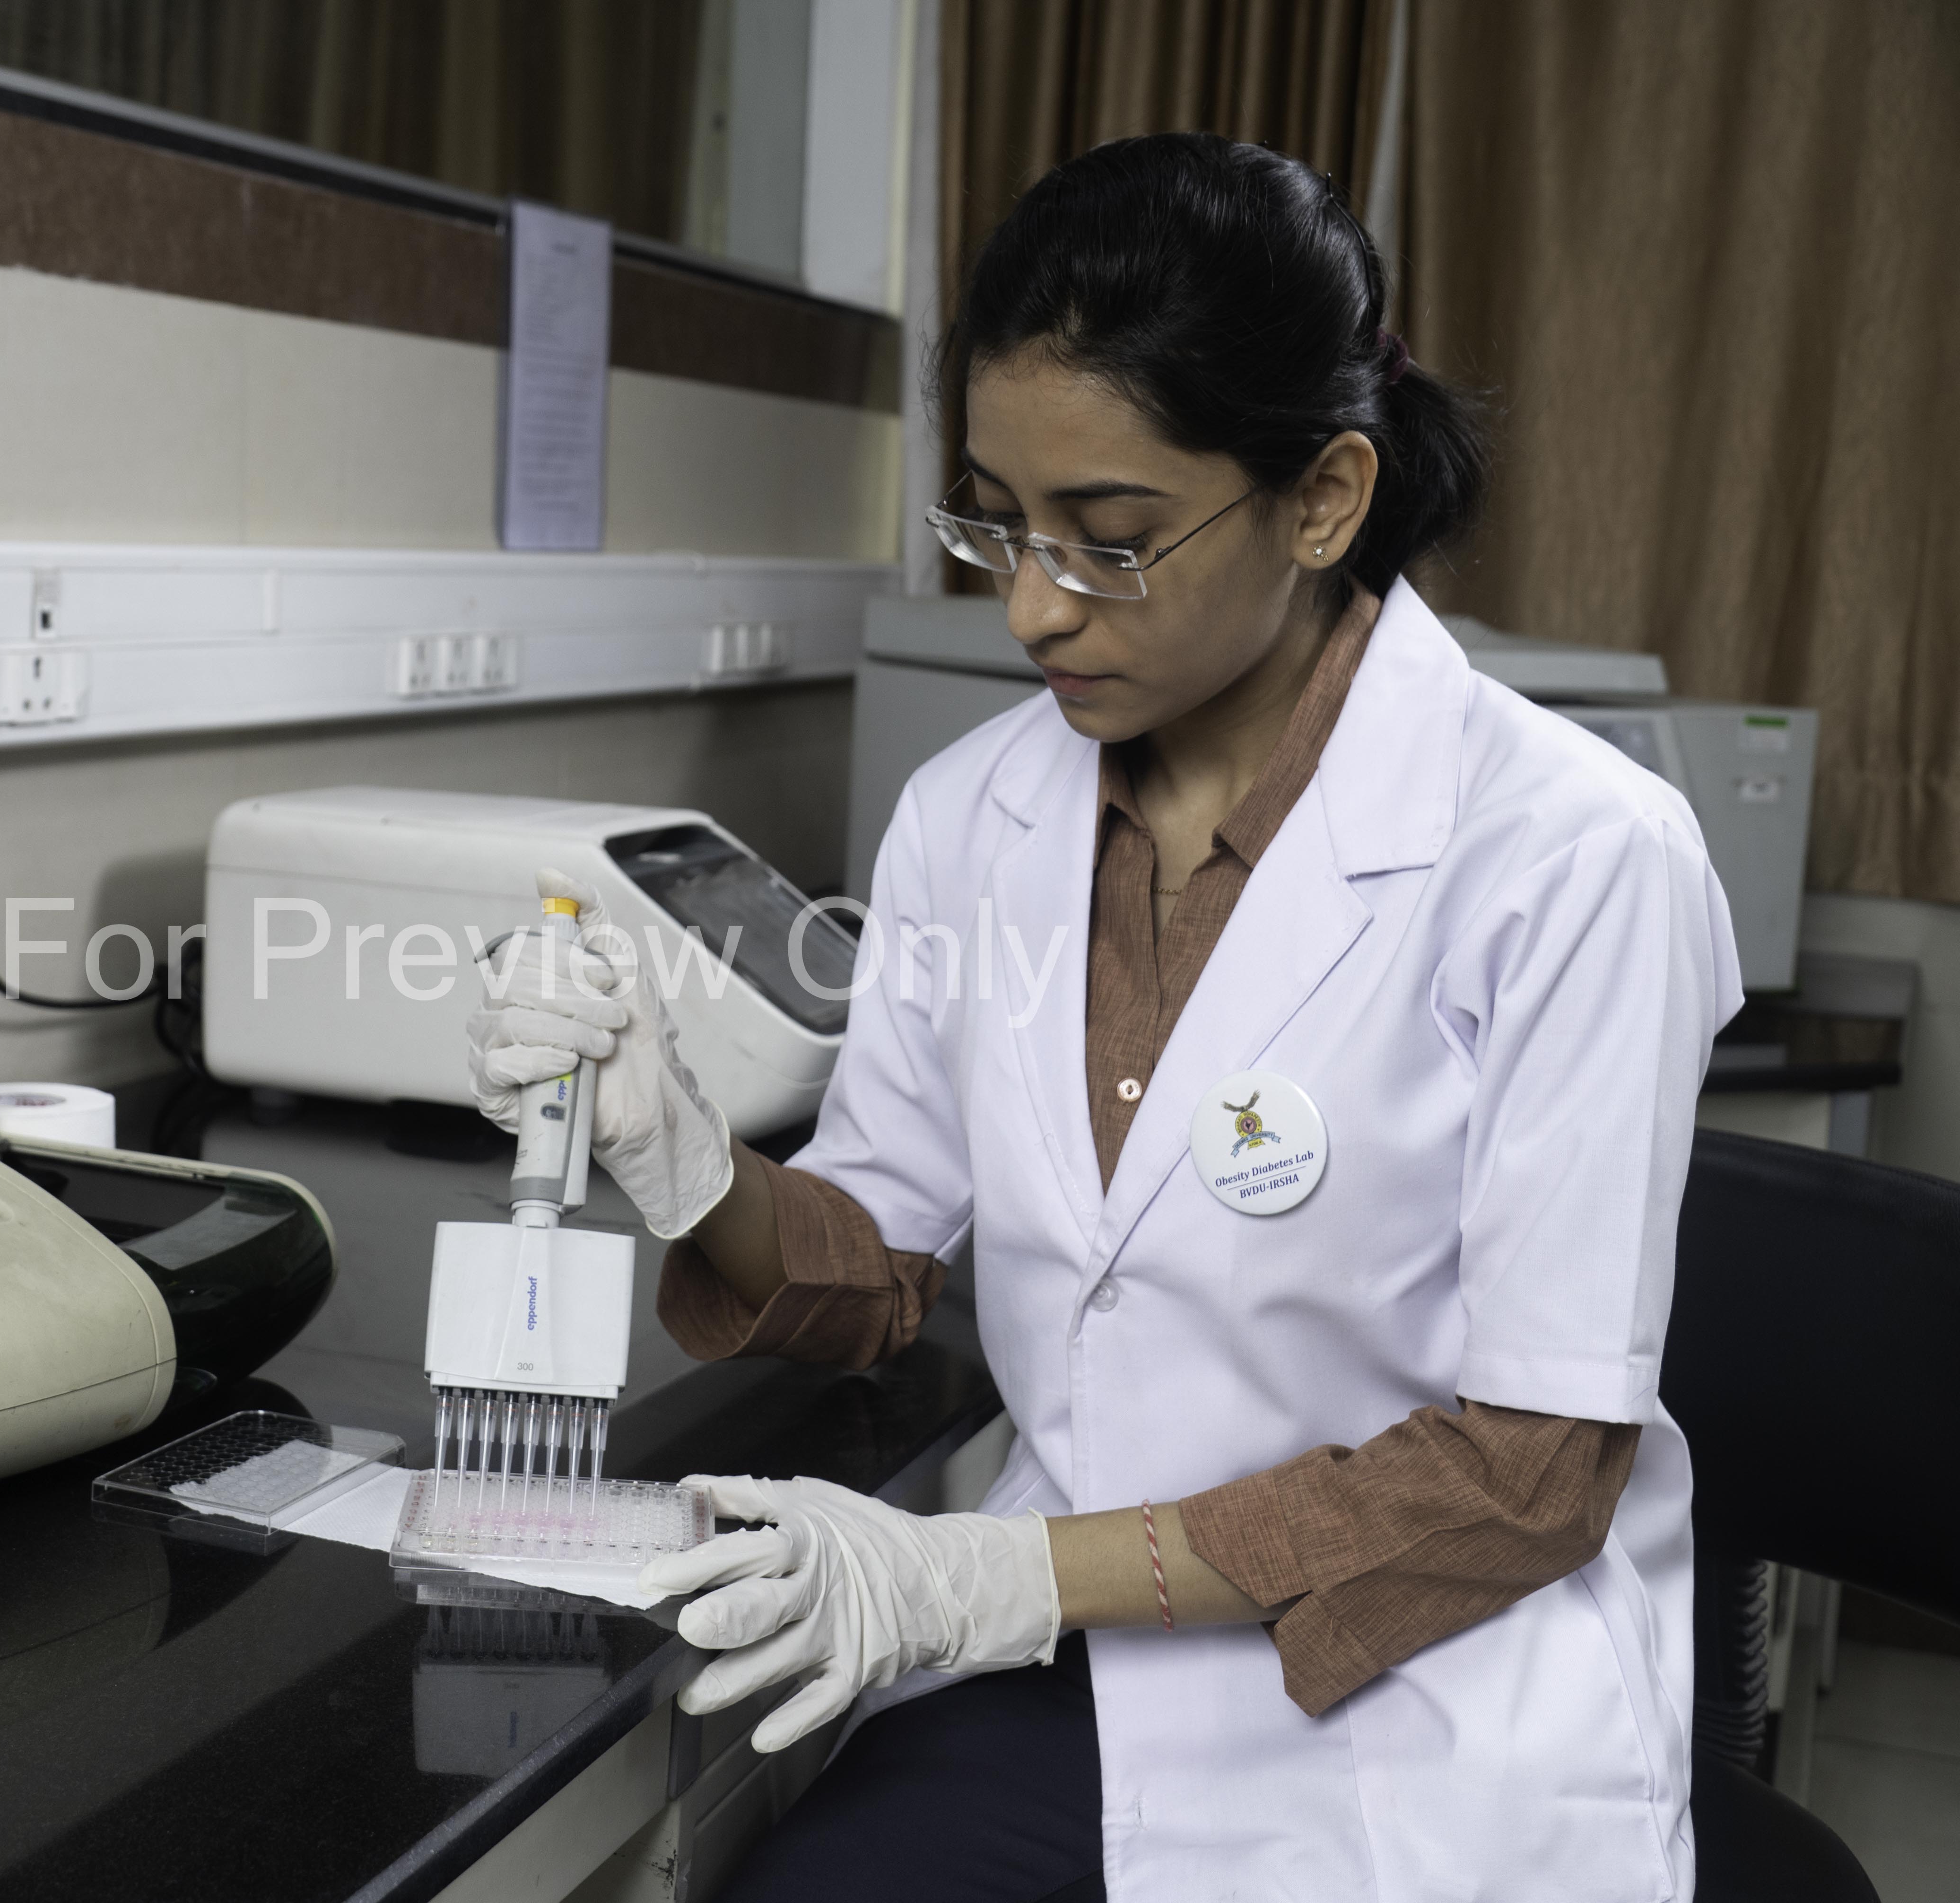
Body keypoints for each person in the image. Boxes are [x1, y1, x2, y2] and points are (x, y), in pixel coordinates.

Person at [466, 132, 1736, 1903]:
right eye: (997, 518)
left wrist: (994, 1577)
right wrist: (681, 1157)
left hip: (1420, 1699)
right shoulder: (974, 817)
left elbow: (1531, 1479)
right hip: (1076, 1675)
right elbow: (875, 1260)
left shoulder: (1574, 857)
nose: (1032, 606)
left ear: (1324, 498)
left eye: (1113, 542)